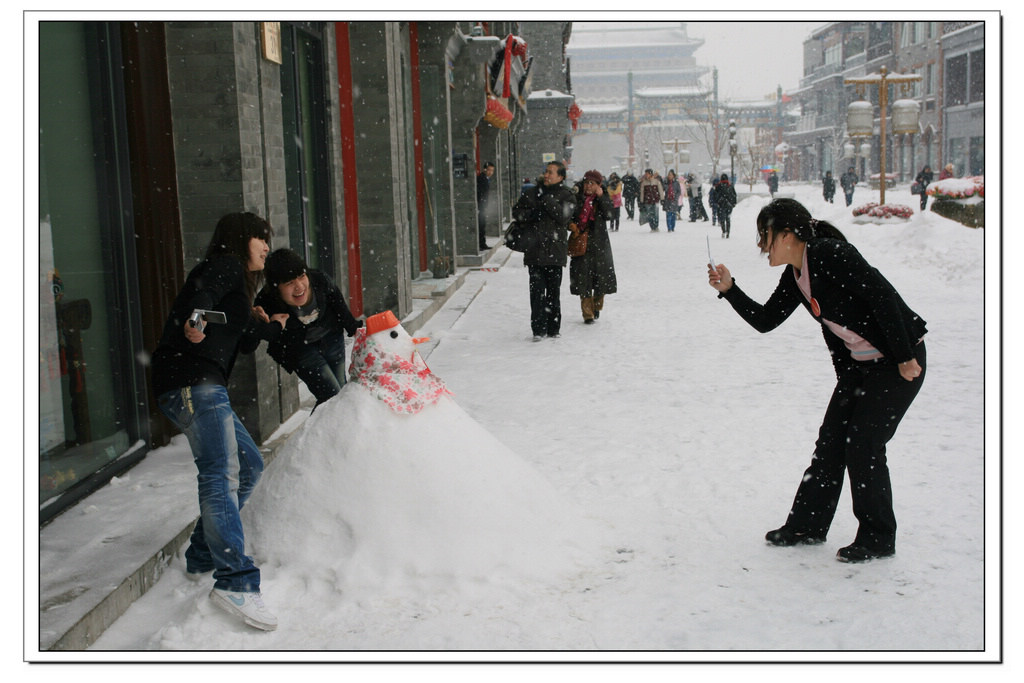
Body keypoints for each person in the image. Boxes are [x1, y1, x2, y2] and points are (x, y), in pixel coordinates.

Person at [707, 198, 927, 564]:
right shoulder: (796, 276)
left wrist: (904, 356)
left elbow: (882, 295)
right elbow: (766, 320)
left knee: (864, 445)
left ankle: (877, 537)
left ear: (790, 234)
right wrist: (730, 289)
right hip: (861, 369)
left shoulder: (830, 253)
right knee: (830, 445)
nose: (763, 245)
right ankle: (807, 526)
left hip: (897, 362)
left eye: (767, 236)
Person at [150, 212, 288, 631]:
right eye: (260, 238)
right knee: (220, 474)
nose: (266, 245)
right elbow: (203, 296)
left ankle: (201, 556)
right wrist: (196, 318)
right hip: (192, 381)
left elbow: (243, 342)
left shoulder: (241, 288)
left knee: (249, 466)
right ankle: (235, 581)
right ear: (240, 240)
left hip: (203, 384)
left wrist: (268, 323)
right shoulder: (224, 265)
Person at [255, 248, 362, 407]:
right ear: (276, 287)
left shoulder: (320, 280)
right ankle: (318, 432)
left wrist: (355, 330)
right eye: (290, 283)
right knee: (331, 396)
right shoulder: (267, 301)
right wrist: (266, 323)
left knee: (340, 393)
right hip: (299, 349)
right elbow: (258, 335)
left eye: (301, 277)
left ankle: (327, 431)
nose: (299, 286)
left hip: (331, 337)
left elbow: (339, 306)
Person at [511, 160, 577, 340]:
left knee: (553, 292)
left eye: (551, 173)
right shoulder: (532, 192)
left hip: (555, 251)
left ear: (561, 177)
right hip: (534, 250)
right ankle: (538, 329)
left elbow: (563, 217)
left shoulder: (567, 195)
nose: (547, 175)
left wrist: (547, 199)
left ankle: (553, 328)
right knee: (536, 293)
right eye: (546, 172)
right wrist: (531, 214)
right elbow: (517, 213)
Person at [569, 170, 618, 324]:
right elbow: (568, 215)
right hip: (581, 242)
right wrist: (571, 225)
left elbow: (609, 214)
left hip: (599, 243)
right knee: (583, 279)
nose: (588, 186)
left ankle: (596, 304)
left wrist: (601, 197)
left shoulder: (602, 199)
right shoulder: (577, 198)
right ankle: (587, 313)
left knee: (600, 279)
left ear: (598, 185)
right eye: (586, 182)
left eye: (592, 183)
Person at [477, 161, 495, 250]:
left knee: (482, 225)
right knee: (481, 225)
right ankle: (481, 244)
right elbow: (481, 194)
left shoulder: (486, 179)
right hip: (480, 206)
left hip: (482, 206)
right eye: (489, 170)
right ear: (485, 169)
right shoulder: (482, 178)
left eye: (492, 171)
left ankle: (482, 243)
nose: (490, 172)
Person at [713, 173, 737, 238]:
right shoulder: (730, 186)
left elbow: (715, 195)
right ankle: (728, 232)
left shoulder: (718, 186)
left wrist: (717, 202)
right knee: (728, 219)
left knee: (722, 219)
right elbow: (734, 195)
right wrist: (733, 203)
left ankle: (723, 231)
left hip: (721, 205)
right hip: (729, 205)